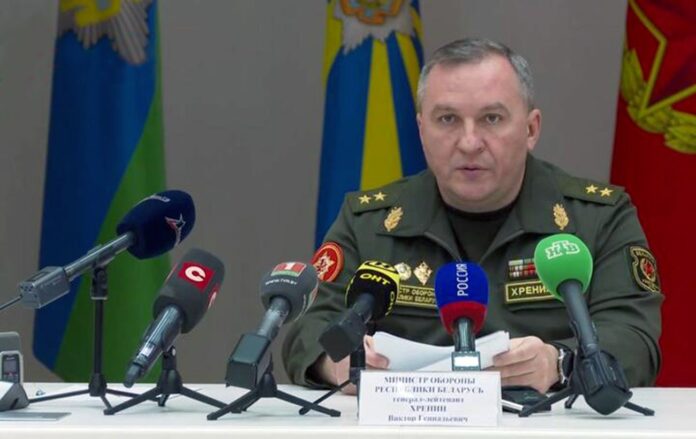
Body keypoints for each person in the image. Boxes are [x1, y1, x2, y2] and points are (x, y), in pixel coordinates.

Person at [282, 38, 663, 394]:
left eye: (491, 119)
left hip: (543, 424)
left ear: (531, 129)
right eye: (447, 119)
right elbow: (308, 329)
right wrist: (337, 364)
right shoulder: (368, 221)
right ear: (421, 130)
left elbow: (635, 339)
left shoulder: (597, 218)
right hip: (410, 424)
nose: (468, 142)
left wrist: (560, 363)